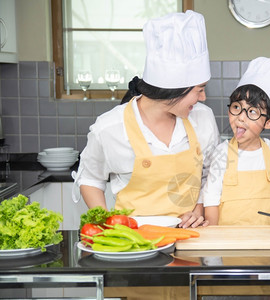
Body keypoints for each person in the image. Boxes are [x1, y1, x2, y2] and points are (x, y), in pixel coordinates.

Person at [72, 10, 220, 230]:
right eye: (199, 90)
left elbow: (209, 173)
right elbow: (91, 179)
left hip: (191, 237)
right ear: (174, 90)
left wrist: (198, 210)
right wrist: (107, 224)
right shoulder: (110, 128)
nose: (203, 98)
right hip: (134, 243)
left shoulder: (203, 118)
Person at [202, 57, 270, 226]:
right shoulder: (222, 152)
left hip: (265, 241)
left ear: (269, 123)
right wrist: (213, 238)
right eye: (236, 107)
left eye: (252, 111)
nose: (240, 118)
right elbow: (211, 197)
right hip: (228, 242)